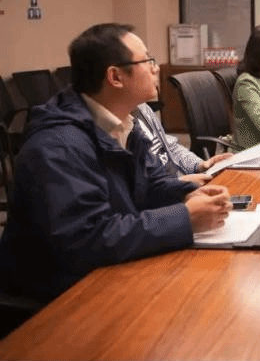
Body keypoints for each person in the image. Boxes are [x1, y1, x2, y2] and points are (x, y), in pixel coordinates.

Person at [0, 23, 232, 302]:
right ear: (115, 77)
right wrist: (185, 217)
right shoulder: (58, 146)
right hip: (56, 297)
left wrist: (187, 194)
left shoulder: (123, 123)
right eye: (148, 61)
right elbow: (87, 239)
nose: (155, 69)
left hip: (107, 270)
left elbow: (150, 183)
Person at [132, 102, 230, 187]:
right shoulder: (124, 130)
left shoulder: (143, 108)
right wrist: (180, 182)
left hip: (177, 185)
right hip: (167, 194)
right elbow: (138, 191)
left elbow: (171, 148)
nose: (157, 86)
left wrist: (200, 165)